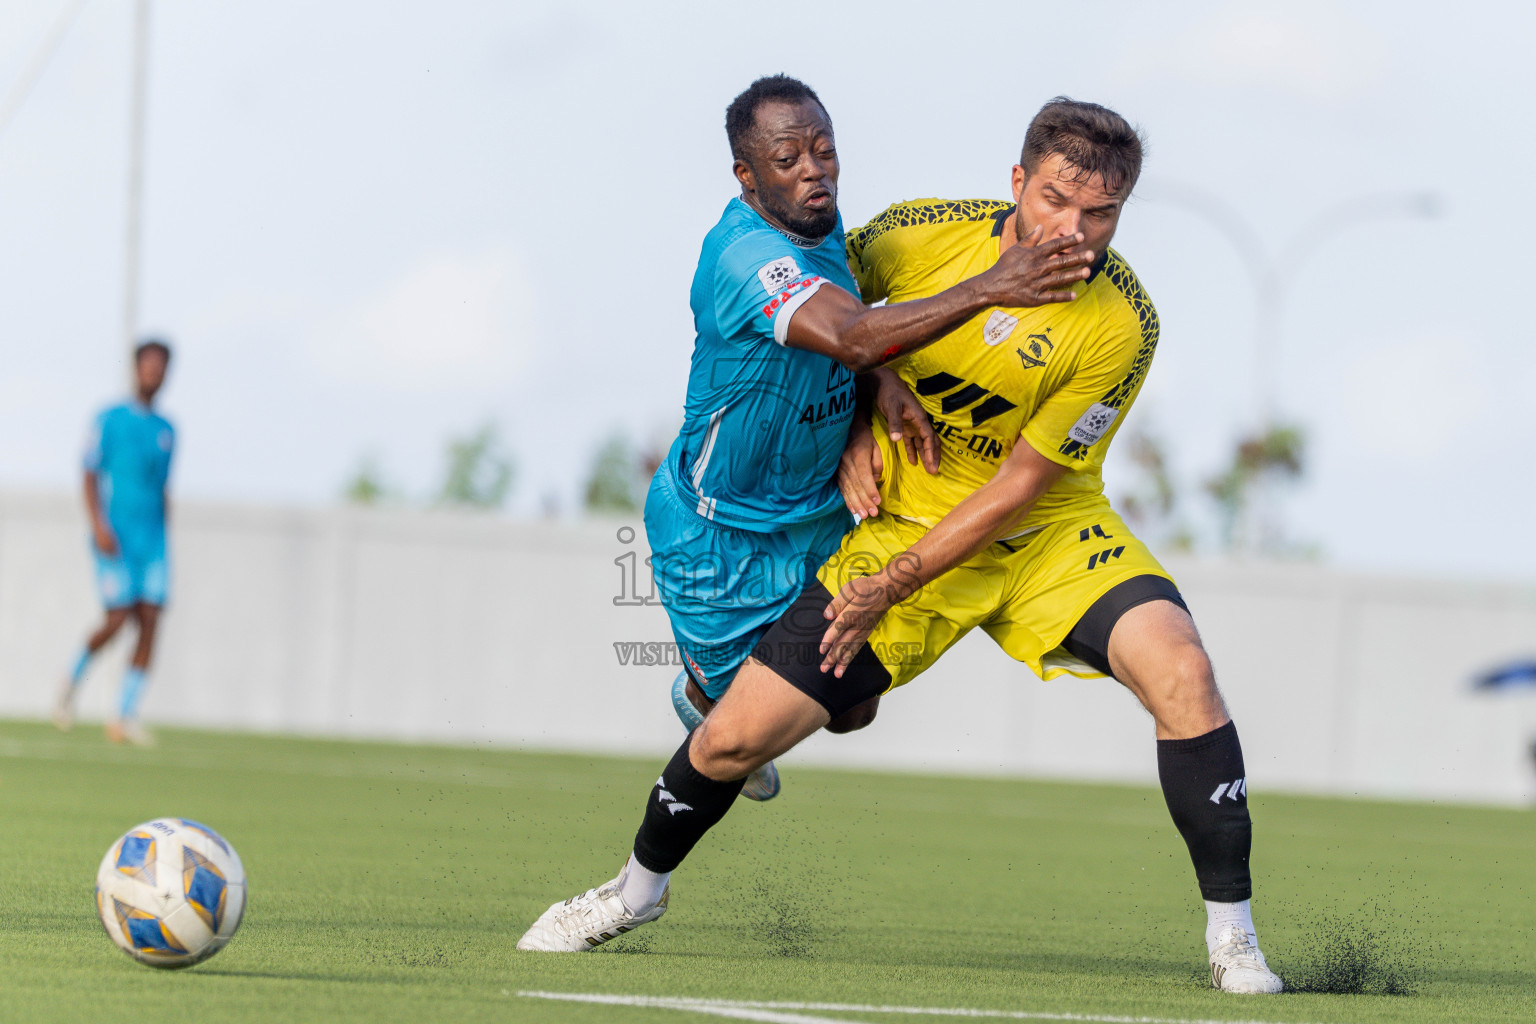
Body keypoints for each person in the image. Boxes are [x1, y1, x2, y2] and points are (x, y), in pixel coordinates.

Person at [518, 97, 1284, 996]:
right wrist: (868, 395)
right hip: (902, 526)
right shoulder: (921, 235)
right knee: (730, 743)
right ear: (1016, 184)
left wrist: (894, 581)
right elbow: (845, 318)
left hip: (1044, 538)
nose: (1072, 232)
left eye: (1100, 214)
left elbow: (1015, 491)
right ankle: (633, 893)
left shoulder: (1124, 324)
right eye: (1053, 202)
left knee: (1183, 670)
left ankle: (1233, 939)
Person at [640, 74, 1094, 803]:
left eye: (824, 150)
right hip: (720, 533)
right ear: (747, 176)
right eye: (788, 159)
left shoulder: (826, 229)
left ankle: (734, 712)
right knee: (745, 727)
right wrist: (989, 286)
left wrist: (876, 391)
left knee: (852, 708)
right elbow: (850, 334)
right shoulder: (743, 256)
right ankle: (702, 695)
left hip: (814, 514)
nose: (814, 170)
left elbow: (846, 335)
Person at [54, 338, 176, 746]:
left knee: (151, 622)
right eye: (149, 364)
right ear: (136, 368)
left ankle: (123, 715)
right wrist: (98, 525)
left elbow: (162, 488)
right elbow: (88, 474)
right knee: (118, 618)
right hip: (115, 537)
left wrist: (166, 539)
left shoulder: (167, 430)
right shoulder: (108, 418)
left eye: (162, 366)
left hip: (153, 542)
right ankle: (70, 682)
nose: (154, 372)